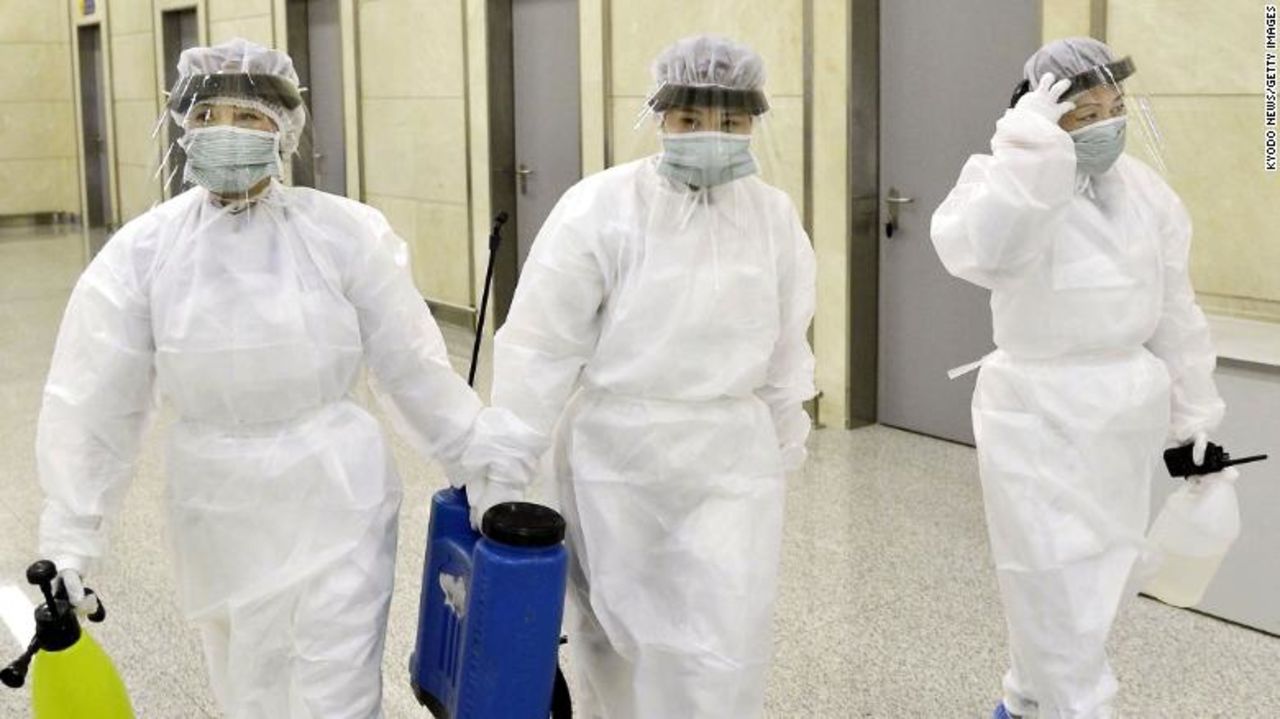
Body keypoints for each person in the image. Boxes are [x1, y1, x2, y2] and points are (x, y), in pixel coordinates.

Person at [35, 38, 509, 718]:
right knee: (249, 692)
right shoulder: (142, 253)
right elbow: (91, 399)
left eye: (248, 116)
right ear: (182, 127)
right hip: (215, 509)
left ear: (284, 128)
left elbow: (415, 367)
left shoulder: (343, 234)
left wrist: (487, 470)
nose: (226, 131)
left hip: (335, 495)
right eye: (208, 115)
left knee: (336, 689)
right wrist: (69, 538)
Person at [468, 34, 817, 719]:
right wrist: (504, 463)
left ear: (754, 124)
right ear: (660, 118)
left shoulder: (772, 218)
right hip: (616, 460)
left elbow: (785, 344)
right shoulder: (600, 209)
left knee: (725, 638)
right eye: (691, 120)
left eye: (731, 122)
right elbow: (540, 345)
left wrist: (783, 434)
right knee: (615, 641)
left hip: (731, 462)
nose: (711, 137)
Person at [931, 38, 1225, 719]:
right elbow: (984, 250)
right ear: (1041, 118)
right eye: (1083, 113)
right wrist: (1030, 158)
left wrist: (1196, 428)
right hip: (1035, 409)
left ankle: (1026, 701)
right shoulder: (1001, 181)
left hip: (1126, 407)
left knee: (1102, 582)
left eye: (1115, 108)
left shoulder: (1146, 194)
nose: (1106, 125)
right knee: (1050, 579)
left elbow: (1176, 316)